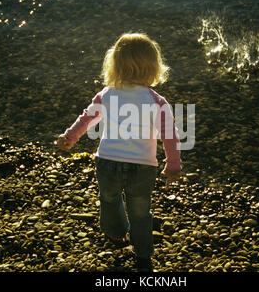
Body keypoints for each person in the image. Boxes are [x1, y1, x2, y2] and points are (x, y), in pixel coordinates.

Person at [55, 33, 181, 272]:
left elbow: (87, 118)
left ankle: (115, 233)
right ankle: (143, 254)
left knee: (109, 200)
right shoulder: (157, 101)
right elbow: (170, 135)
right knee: (141, 211)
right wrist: (173, 164)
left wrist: (69, 137)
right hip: (143, 167)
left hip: (108, 162)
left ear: (114, 64)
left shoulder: (107, 94)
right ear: (153, 68)